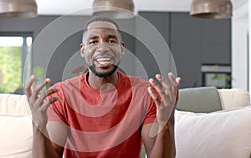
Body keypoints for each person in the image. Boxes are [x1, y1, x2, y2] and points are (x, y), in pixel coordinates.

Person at [26, 17, 181, 158]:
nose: (103, 48)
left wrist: (167, 122)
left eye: (111, 41)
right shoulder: (61, 94)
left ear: (121, 49)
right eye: (93, 42)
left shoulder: (145, 93)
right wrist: (38, 126)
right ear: (82, 50)